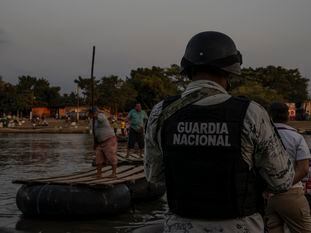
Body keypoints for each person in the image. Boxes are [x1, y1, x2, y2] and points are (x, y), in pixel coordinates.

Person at [144, 31, 294, 233]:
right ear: (229, 72)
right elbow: (282, 181)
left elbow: (154, 176)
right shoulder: (251, 113)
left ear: (188, 69)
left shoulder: (160, 112)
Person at [265, 102, 311, 233]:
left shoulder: (263, 137)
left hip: (268, 196)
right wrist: (283, 185)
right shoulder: (296, 137)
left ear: (270, 116)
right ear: (287, 116)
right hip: (292, 194)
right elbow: (303, 169)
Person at [89, 107, 118, 178]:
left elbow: (101, 119)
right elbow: (94, 132)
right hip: (99, 142)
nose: (88, 114)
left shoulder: (101, 115)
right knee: (98, 158)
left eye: (90, 113)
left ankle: (114, 173)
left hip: (109, 139)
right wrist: (95, 143)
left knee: (111, 157)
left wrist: (96, 114)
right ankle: (99, 174)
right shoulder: (92, 121)